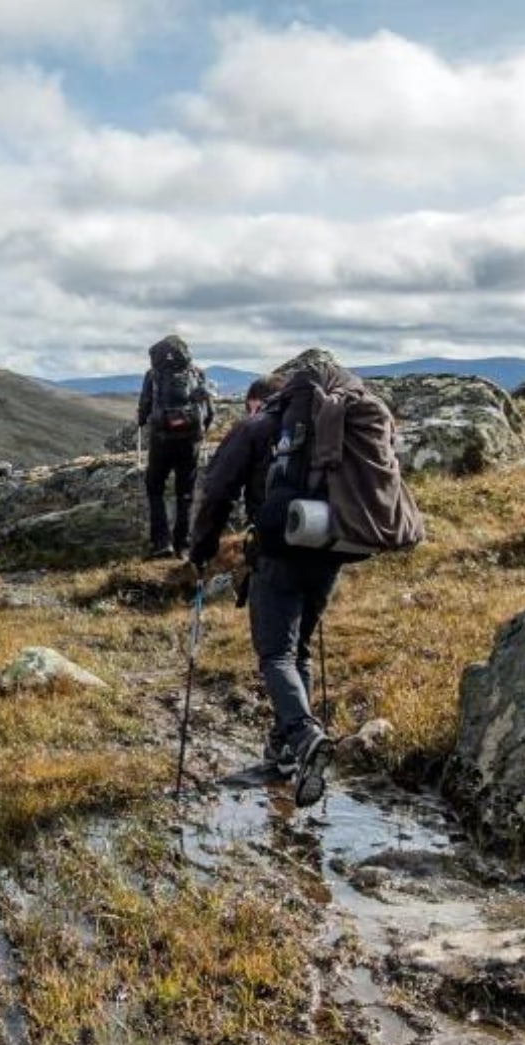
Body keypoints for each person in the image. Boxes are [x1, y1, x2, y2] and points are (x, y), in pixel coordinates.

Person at [188, 351, 356, 808]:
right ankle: (284, 753)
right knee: (297, 647)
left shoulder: (257, 427)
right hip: (330, 548)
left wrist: (201, 549)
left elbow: (217, 491)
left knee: (275, 652)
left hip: (278, 550)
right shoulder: (329, 425)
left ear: (255, 402)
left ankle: (304, 738)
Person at [135, 334, 213, 559]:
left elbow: (145, 407)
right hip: (190, 441)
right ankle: (183, 545)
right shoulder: (197, 373)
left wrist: (142, 420)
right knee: (185, 493)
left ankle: (161, 542)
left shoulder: (153, 375)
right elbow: (209, 410)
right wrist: (201, 431)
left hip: (161, 440)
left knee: (155, 487)